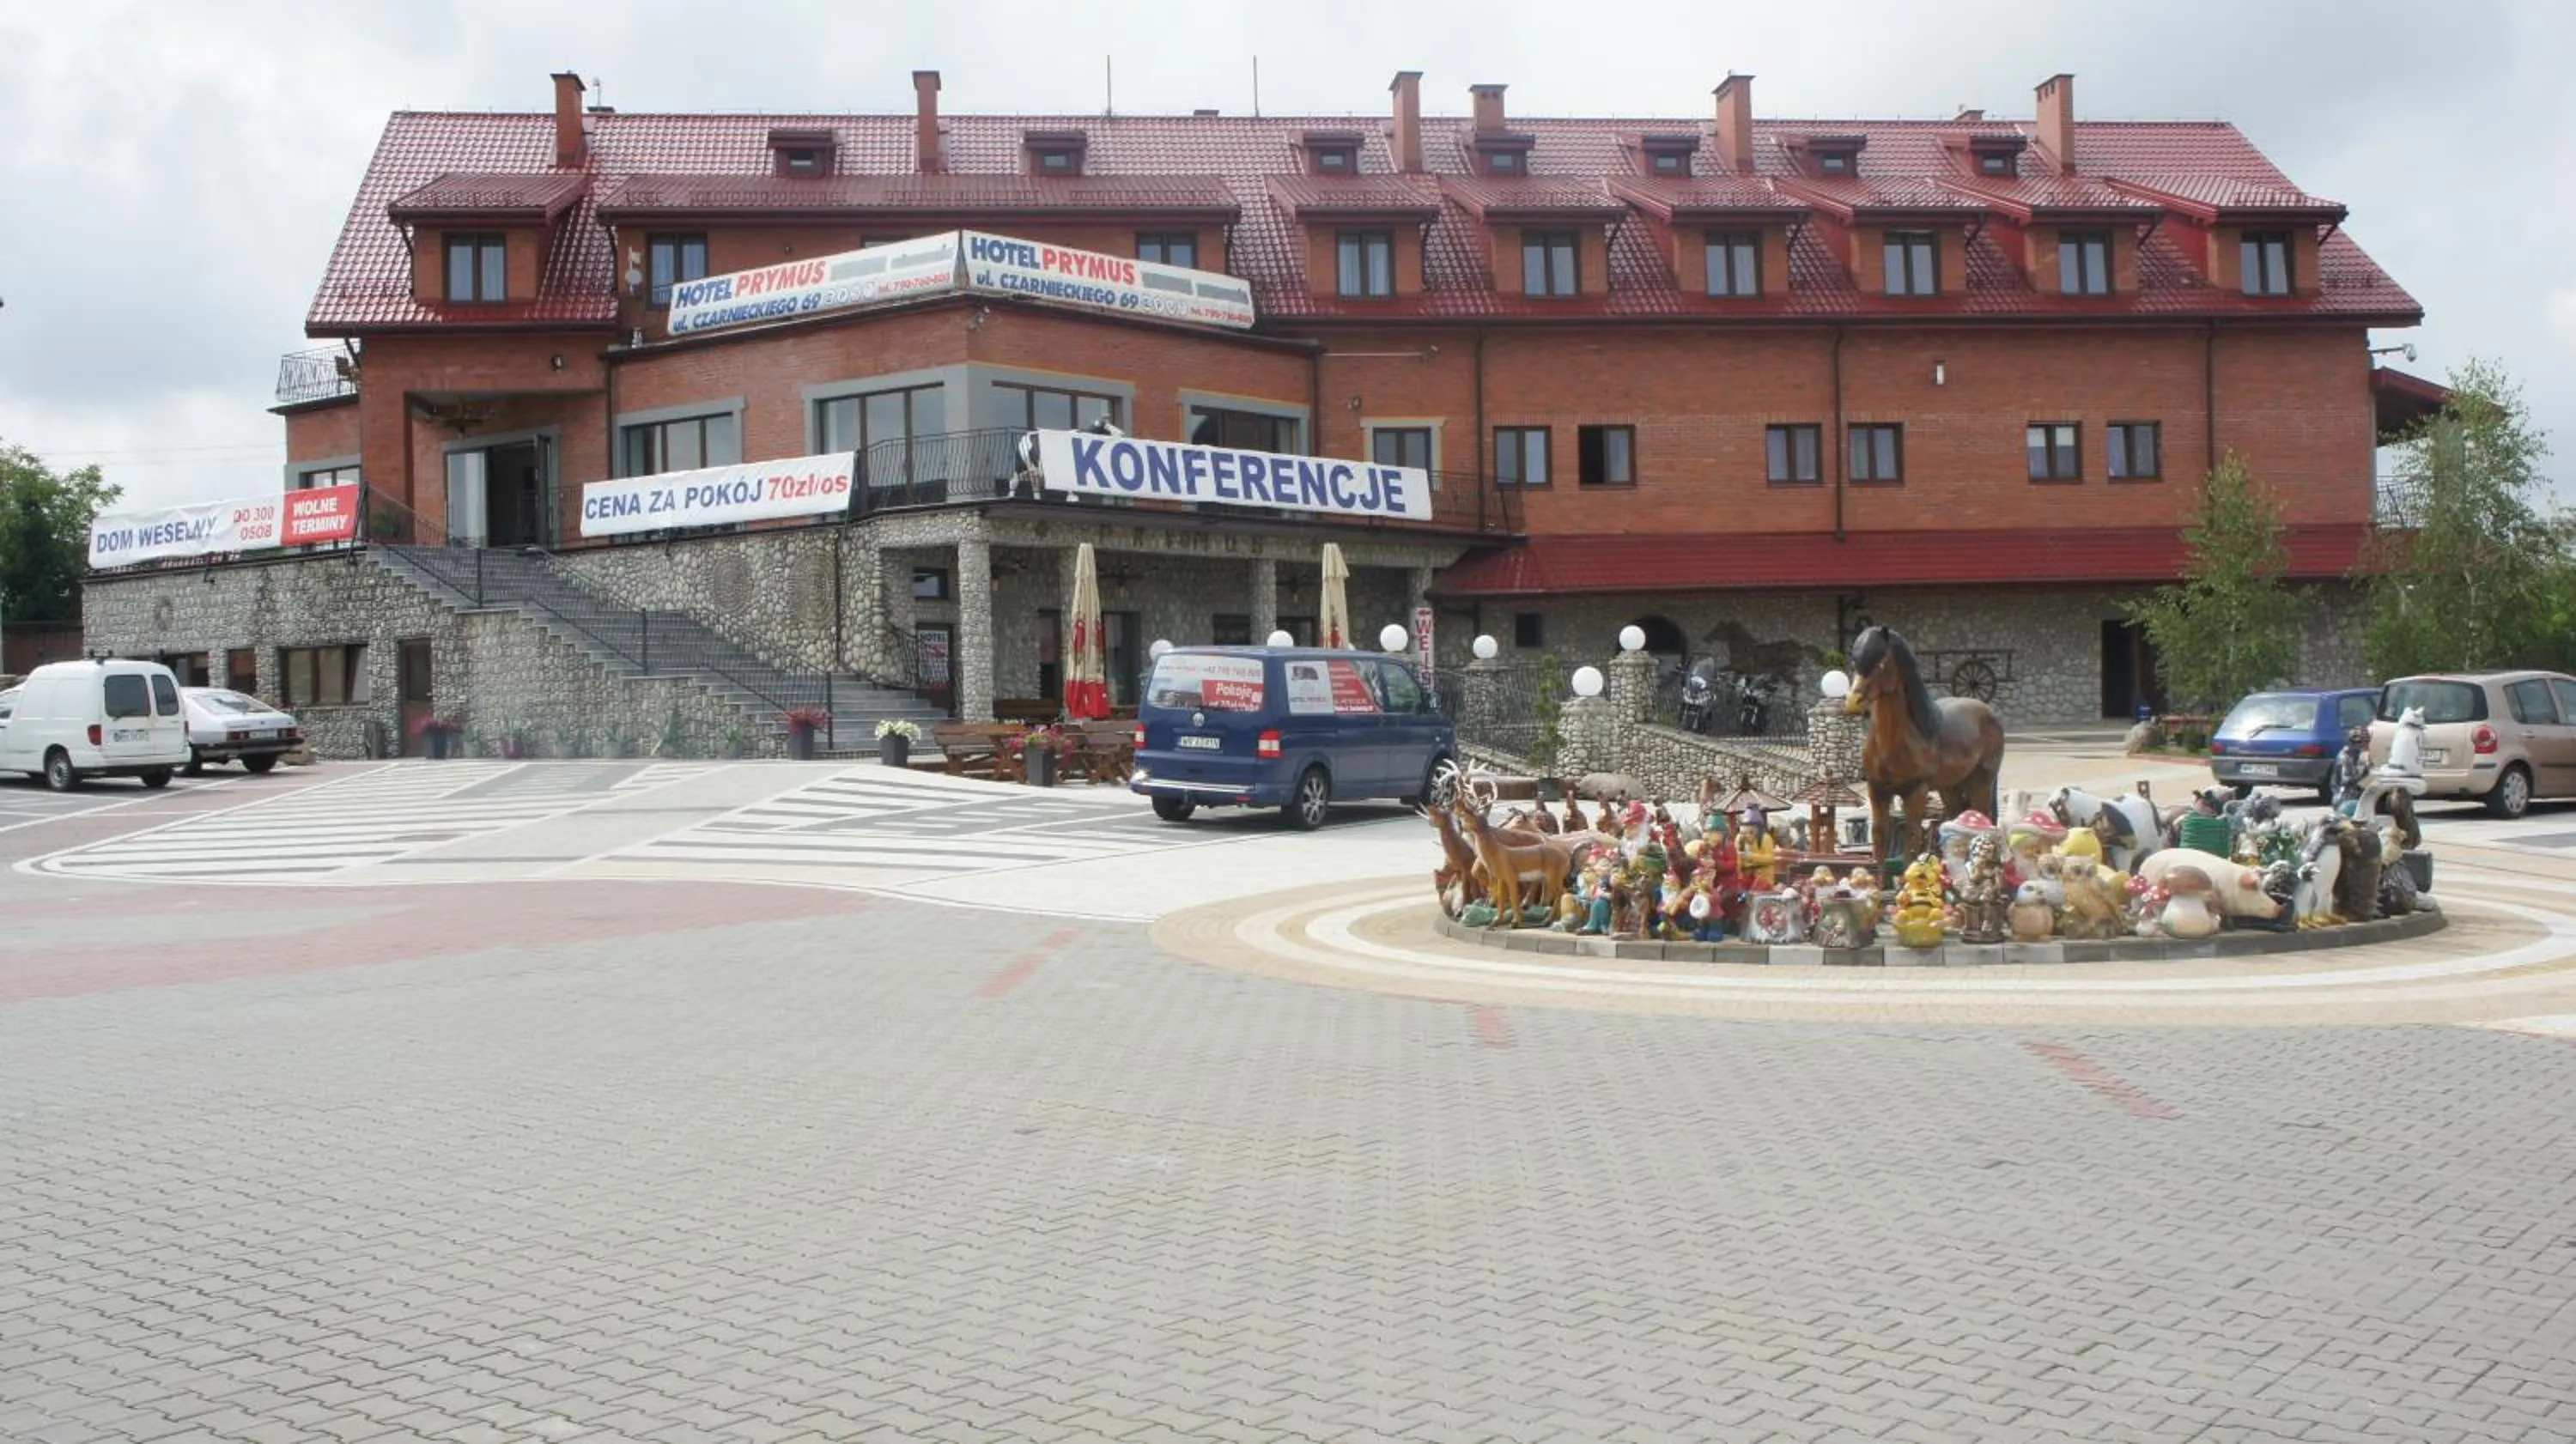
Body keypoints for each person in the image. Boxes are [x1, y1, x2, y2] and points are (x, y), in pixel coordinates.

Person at [2330, 725, 2372, 816]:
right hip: (2345, 798)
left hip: (2352, 795)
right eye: (2364, 742)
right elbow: (2346, 780)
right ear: (2355, 742)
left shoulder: (2356, 755)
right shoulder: (2345, 757)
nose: (2366, 745)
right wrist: (2364, 774)